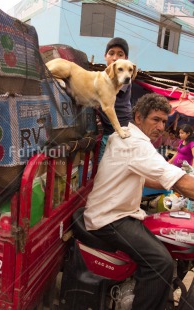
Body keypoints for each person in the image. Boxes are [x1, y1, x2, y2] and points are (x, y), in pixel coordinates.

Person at [84, 93, 194, 310]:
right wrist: (180, 183)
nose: (161, 126)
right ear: (138, 118)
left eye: (164, 121)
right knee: (160, 262)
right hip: (109, 218)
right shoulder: (134, 143)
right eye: (155, 119)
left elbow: (153, 177)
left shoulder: (125, 136)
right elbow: (172, 176)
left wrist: (175, 184)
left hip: (122, 213)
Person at [98, 37, 133, 161]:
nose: (115, 58)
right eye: (111, 53)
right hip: (107, 130)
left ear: (126, 59)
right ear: (105, 56)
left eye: (120, 54)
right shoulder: (103, 76)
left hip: (120, 131)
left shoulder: (123, 77)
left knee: (106, 168)